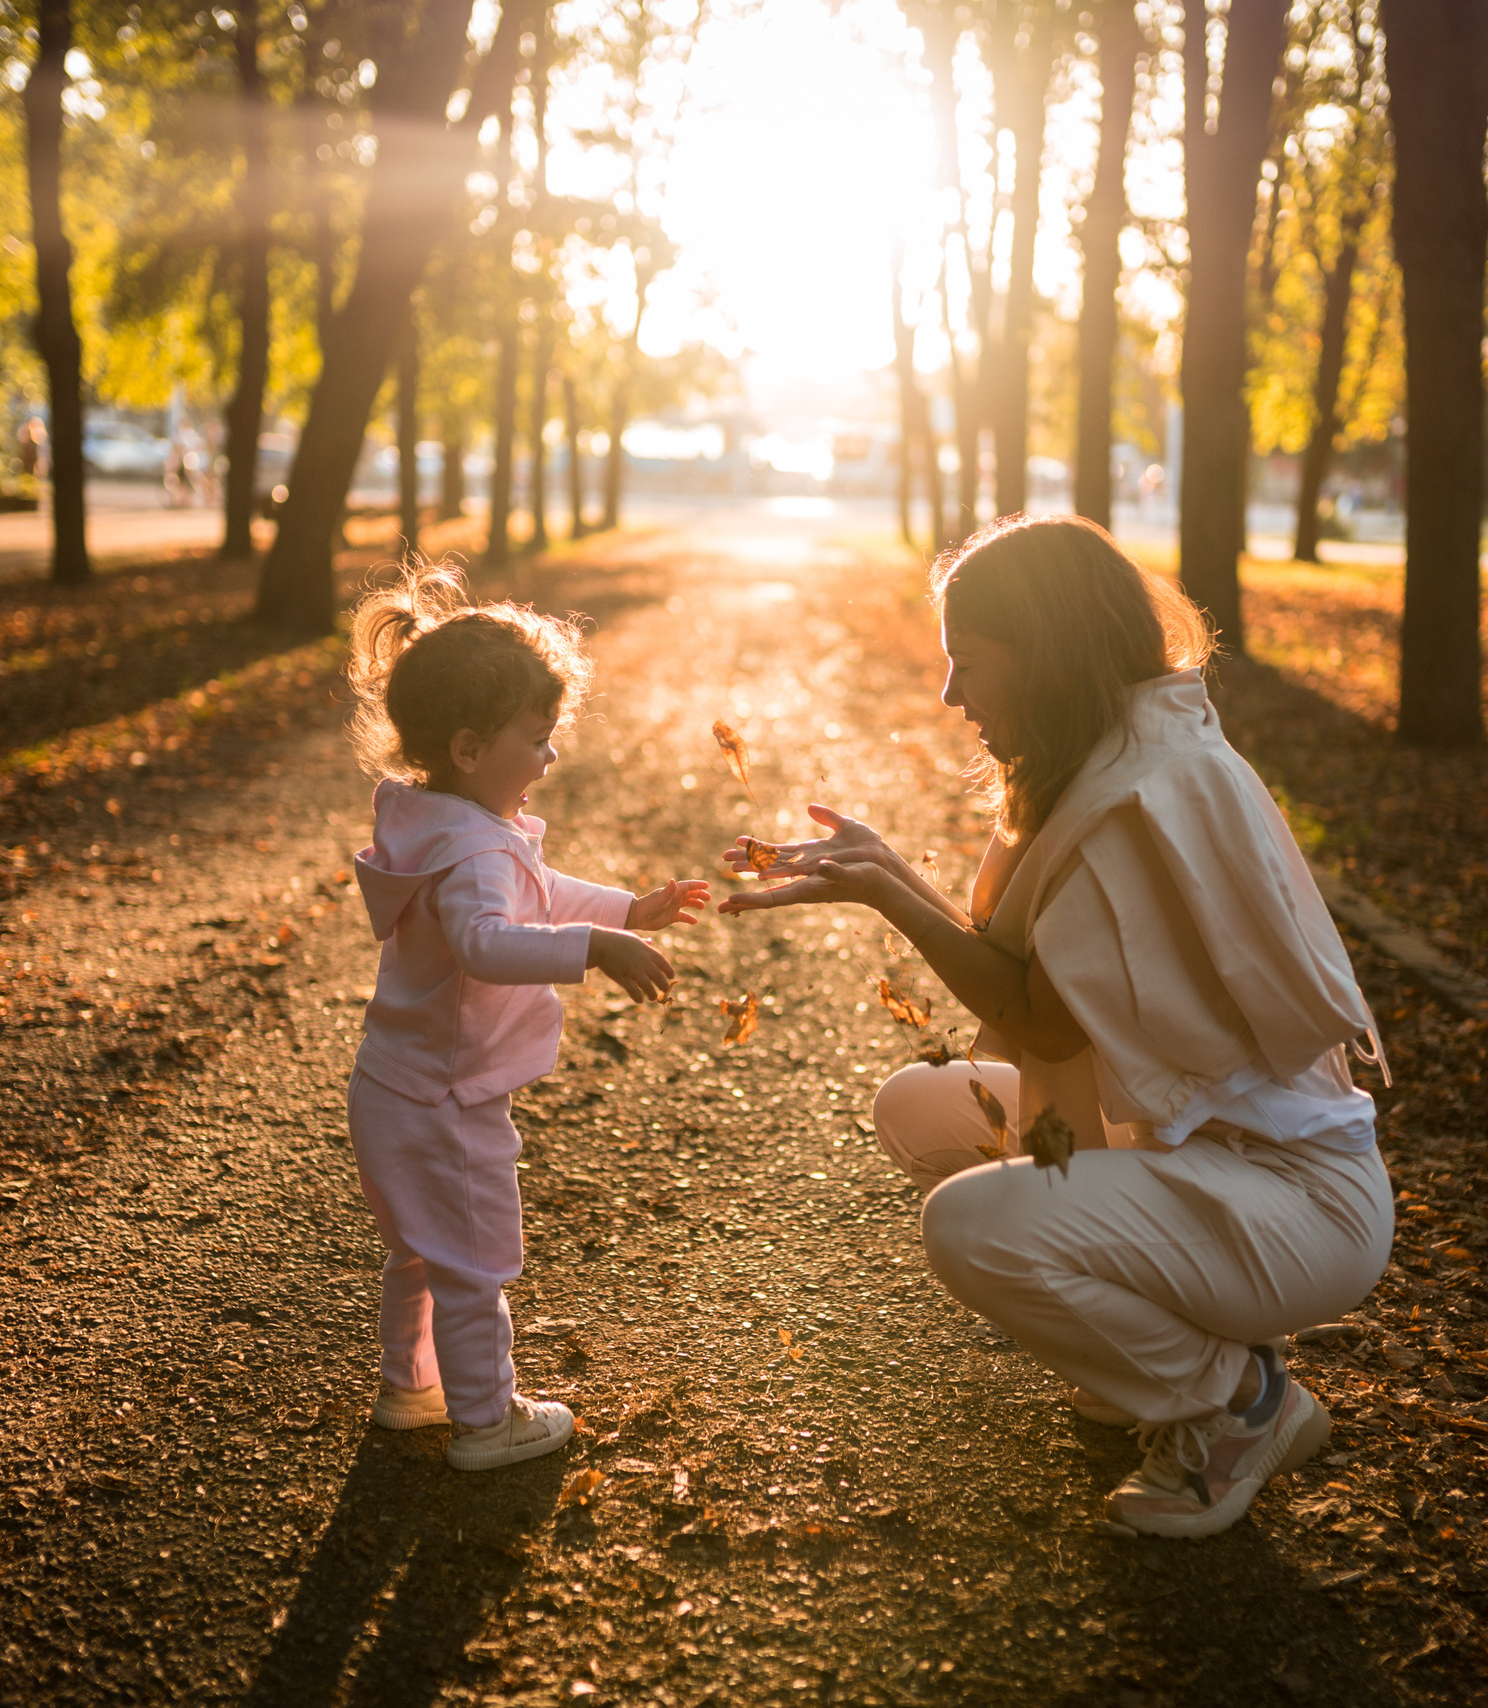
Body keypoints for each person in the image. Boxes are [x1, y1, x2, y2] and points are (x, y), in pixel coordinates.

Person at [720, 515, 1394, 1538]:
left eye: (968, 665)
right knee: (916, 1108)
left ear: (1046, 653)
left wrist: (890, 897)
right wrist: (887, 868)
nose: (951, 697)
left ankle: (1237, 1401)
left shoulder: (1137, 793)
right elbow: (1037, 977)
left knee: (969, 1226)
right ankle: (1150, 1362)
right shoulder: (1117, 750)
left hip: (1296, 1201)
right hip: (1205, 1159)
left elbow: (1033, 1013)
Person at [346, 568, 710, 1470]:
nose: (549, 758)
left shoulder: (435, 817)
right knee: (474, 1258)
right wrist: (594, 947)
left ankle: (411, 1388)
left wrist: (630, 907)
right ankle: (487, 1421)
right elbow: (487, 939)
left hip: (391, 1085)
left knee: (422, 1252)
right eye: (538, 740)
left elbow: (534, 888)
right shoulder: (472, 849)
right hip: (446, 1099)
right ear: (470, 747)